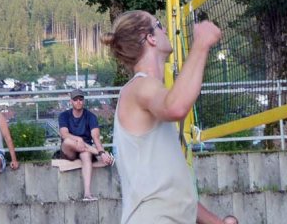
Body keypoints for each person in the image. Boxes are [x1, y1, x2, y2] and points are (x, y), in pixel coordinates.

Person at [102, 12, 238, 224]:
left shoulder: (150, 96)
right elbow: (176, 106)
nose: (165, 29)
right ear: (149, 37)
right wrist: (201, 43)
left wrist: (217, 222)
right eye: (159, 24)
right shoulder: (140, 86)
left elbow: (173, 192)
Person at [58, 88, 113, 201]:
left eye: (80, 99)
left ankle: (87, 194)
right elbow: (64, 134)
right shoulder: (64, 115)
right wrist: (78, 139)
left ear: (84, 101)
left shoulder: (91, 116)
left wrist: (87, 144)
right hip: (69, 150)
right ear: (71, 101)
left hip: (85, 149)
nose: (78, 102)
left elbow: (95, 137)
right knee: (68, 141)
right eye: (75, 99)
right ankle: (102, 154)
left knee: (86, 156)